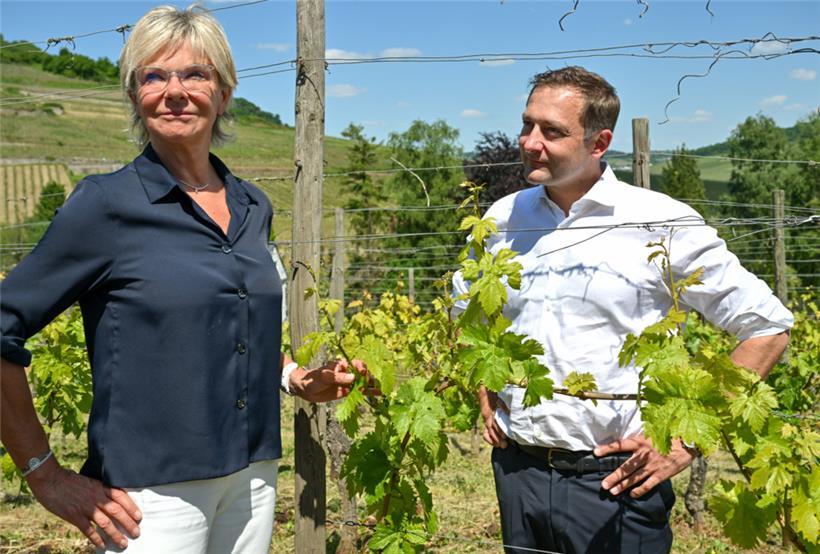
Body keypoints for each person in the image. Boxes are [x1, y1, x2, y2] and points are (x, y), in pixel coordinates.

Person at [0, 5, 362, 552]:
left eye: (195, 74)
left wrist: (295, 379)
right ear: (134, 96)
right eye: (154, 76)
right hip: (149, 496)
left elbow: (234, 327)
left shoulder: (252, 206)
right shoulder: (105, 206)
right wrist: (44, 475)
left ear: (224, 93)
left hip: (254, 477)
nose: (175, 91)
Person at [452, 66, 792, 553]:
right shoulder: (503, 218)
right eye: (527, 124)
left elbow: (767, 326)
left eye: (552, 131)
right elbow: (467, 314)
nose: (529, 142)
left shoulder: (659, 221)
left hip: (617, 483)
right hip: (517, 472)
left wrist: (685, 442)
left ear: (599, 142)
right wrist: (484, 390)